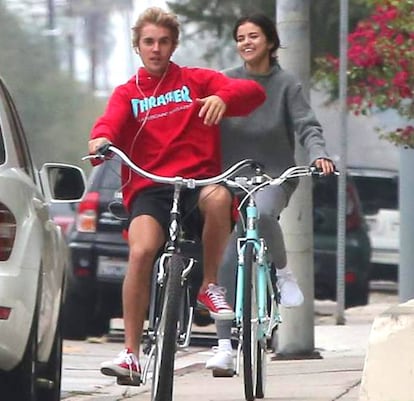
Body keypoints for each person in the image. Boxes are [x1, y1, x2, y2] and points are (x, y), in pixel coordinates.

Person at [88, 7, 266, 385]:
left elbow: (252, 91)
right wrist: (100, 140)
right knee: (141, 250)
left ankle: (209, 285)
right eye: (148, 42)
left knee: (219, 198)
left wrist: (225, 98)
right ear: (137, 47)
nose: (156, 49)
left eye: (163, 42)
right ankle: (131, 353)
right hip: (150, 187)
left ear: (174, 45)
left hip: (196, 184)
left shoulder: (195, 81)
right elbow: (109, 124)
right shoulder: (127, 93)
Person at [205, 13, 335, 376]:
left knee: (261, 214)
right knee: (227, 255)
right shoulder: (225, 81)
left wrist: (319, 154)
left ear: (271, 42)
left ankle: (282, 271)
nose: (246, 42)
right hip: (231, 178)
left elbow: (308, 126)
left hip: (275, 175)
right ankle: (224, 347)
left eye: (254, 36)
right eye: (241, 37)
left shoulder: (286, 84)